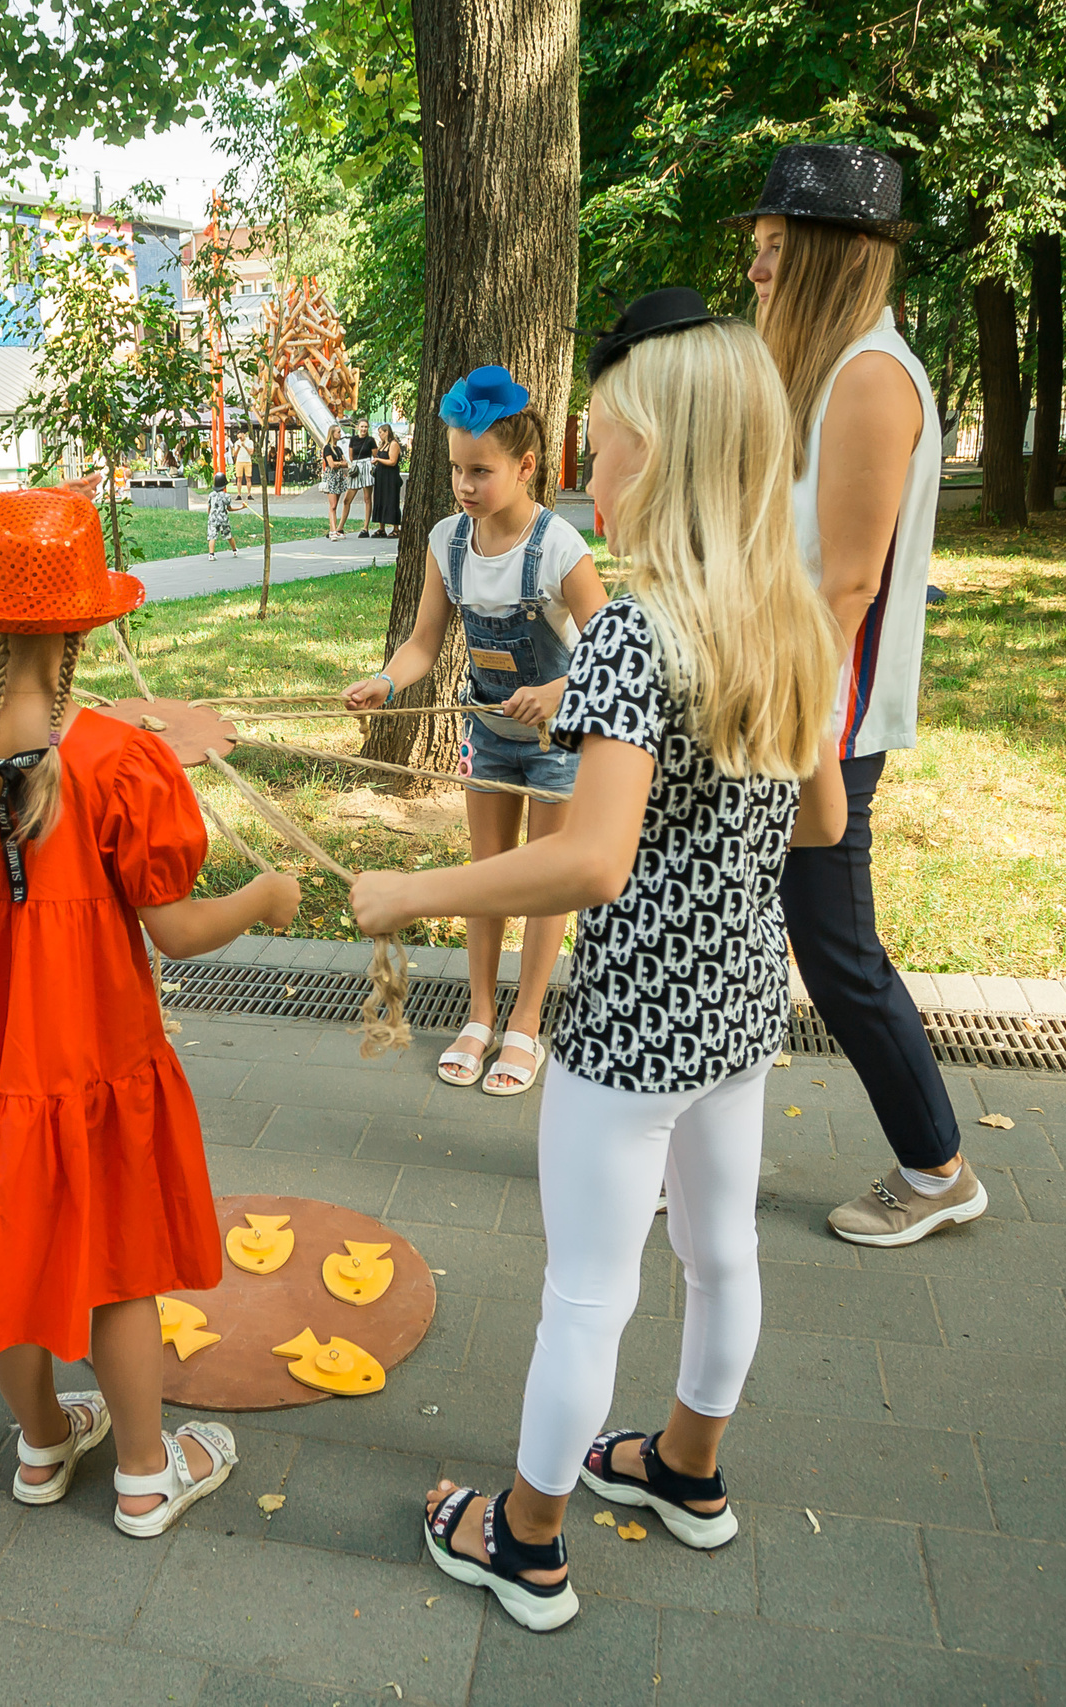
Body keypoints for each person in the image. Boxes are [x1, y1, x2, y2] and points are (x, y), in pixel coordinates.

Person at [351, 292, 846, 1632]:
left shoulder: (636, 630)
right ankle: (687, 1469)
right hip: (743, 1011)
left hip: (631, 1025)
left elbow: (589, 863)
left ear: (671, 458)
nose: (592, 472)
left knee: (589, 1285)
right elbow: (826, 818)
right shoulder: (790, 616)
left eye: (611, 445)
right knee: (722, 1252)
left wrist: (411, 888)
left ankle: (526, 1537)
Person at [0, 488, 301, 1537]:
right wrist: (266, 900)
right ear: (89, 622)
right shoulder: (120, 762)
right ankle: (141, 1471)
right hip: (85, 1059)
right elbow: (173, 931)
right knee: (112, 1262)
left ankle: (41, 1444)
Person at [734, 143, 982, 1246]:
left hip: (816, 714)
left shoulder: (870, 378)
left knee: (831, 945)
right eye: (755, 249)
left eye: (776, 250)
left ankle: (936, 1164)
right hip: (779, 698)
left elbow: (844, 586)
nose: (755, 270)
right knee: (752, 920)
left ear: (833, 254)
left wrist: (782, 725)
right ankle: (685, 1140)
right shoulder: (822, 373)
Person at [343, 367, 605, 1098]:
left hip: (557, 739)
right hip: (486, 732)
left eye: (480, 471)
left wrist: (554, 692)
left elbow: (612, 651)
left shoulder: (559, 548)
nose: (463, 483)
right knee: (484, 875)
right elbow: (425, 642)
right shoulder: (446, 542)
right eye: (457, 468)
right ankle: (480, 1013)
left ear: (526, 467)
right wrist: (388, 681)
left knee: (544, 883)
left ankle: (526, 1020)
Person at [365, 426, 405, 539]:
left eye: (381, 432)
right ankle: (381, 527)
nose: (380, 435)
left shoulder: (393, 444)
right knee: (380, 499)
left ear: (387, 432)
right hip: (381, 477)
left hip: (391, 477)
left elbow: (392, 461)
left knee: (391, 500)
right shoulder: (382, 445)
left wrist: (378, 460)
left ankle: (396, 528)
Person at [345, 418, 378, 535]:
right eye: (362, 426)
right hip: (356, 466)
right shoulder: (353, 439)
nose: (363, 429)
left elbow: (375, 456)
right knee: (347, 499)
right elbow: (351, 456)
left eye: (365, 427)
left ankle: (365, 527)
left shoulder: (370, 440)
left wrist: (369, 465)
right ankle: (340, 527)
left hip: (366, 466)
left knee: (367, 498)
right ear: (358, 427)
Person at [319, 429, 353, 539]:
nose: (340, 434)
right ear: (332, 433)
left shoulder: (338, 449)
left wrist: (339, 464)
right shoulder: (327, 448)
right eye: (338, 432)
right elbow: (331, 464)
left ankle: (335, 530)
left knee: (336, 503)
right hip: (331, 477)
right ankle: (332, 530)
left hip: (338, 477)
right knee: (332, 505)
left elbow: (345, 463)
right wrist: (339, 463)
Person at [205, 472, 240, 556]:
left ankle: (211, 554)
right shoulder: (226, 496)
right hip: (223, 518)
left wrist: (209, 515)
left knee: (212, 536)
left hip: (212, 518)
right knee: (228, 534)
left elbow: (209, 507)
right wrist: (241, 508)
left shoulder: (211, 495)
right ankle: (234, 550)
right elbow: (229, 508)